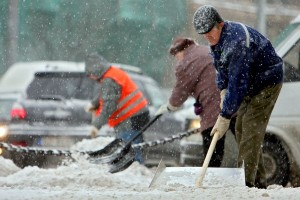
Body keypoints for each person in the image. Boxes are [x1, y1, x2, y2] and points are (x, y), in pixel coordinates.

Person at [193, 5, 283, 188]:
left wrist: (225, 115)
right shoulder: (217, 42)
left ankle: (247, 184)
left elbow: (238, 83)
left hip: (267, 82)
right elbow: (221, 69)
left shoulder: (237, 42)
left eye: (209, 32)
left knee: (250, 130)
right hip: (250, 82)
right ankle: (259, 180)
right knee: (241, 127)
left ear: (220, 24)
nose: (207, 37)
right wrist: (222, 90)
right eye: (203, 34)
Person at [155, 37, 235, 167]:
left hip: (213, 104)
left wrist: (170, 106)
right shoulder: (205, 50)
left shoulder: (187, 62)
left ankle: (210, 174)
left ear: (180, 50)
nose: (177, 59)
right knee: (241, 136)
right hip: (232, 98)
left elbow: (181, 90)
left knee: (213, 144)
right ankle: (252, 172)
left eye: (176, 56)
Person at [84, 53, 150, 164]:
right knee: (133, 147)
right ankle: (136, 170)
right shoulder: (112, 73)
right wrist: (95, 104)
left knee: (129, 152)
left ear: (96, 71)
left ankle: (134, 173)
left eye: (90, 74)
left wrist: (96, 126)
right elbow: (106, 94)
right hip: (138, 114)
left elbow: (109, 106)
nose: (91, 77)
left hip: (130, 118)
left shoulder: (108, 80)